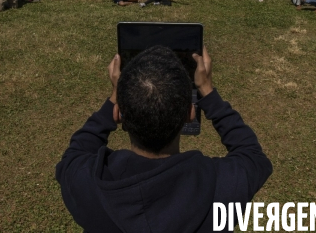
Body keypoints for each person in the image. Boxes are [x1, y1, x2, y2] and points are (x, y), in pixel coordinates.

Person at [55, 46, 272, 232]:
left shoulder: (85, 184)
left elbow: (78, 149)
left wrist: (114, 97)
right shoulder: (223, 189)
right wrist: (207, 91)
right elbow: (252, 155)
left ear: (119, 114)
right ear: (191, 114)